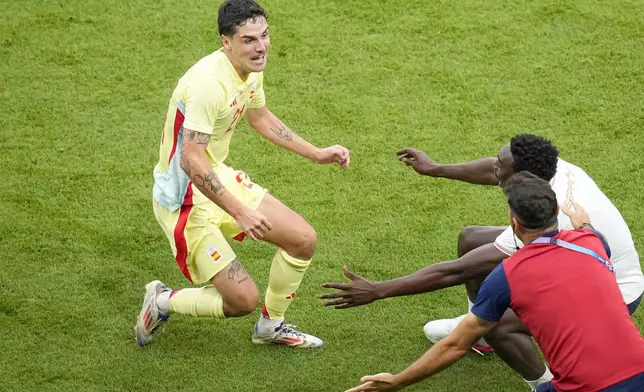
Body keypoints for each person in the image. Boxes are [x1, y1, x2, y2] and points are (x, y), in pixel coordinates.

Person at [321, 134, 644, 387]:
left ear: (520, 179)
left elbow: (458, 270)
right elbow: (496, 167)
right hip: (590, 260)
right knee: (472, 237)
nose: (494, 170)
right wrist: (437, 169)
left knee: (499, 325)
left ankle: (540, 382)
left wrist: (379, 290)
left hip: (614, 292)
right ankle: (480, 331)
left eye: (500, 170)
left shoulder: (551, 220)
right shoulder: (550, 167)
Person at [135, 0, 350, 349]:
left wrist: (316, 153)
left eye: (264, 36)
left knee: (303, 239)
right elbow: (191, 159)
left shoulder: (250, 69)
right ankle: (162, 299)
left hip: (216, 175)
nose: (261, 46)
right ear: (226, 42)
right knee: (241, 301)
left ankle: (271, 326)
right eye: (249, 39)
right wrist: (240, 210)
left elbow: (260, 118)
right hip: (185, 199)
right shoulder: (208, 84)